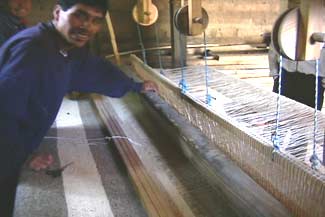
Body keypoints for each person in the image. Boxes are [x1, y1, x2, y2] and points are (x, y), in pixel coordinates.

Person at [0, 0, 158, 216]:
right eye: (80, 15)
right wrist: (24, 155)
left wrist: (135, 86)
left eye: (95, 20)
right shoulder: (33, 49)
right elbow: (4, 111)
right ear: (57, 13)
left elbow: (95, 71)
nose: (87, 26)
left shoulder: (66, 49)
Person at [268, 42, 325, 110]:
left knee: (309, 115)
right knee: (280, 112)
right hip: (285, 74)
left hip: (313, 79)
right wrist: (274, 73)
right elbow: (274, 45)